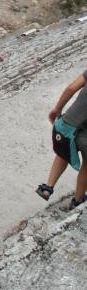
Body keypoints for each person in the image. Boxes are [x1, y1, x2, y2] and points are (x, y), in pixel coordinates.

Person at [36, 70, 87, 209]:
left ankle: (47, 188)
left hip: (68, 125)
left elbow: (71, 88)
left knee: (63, 153)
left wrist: (57, 109)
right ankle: (78, 200)